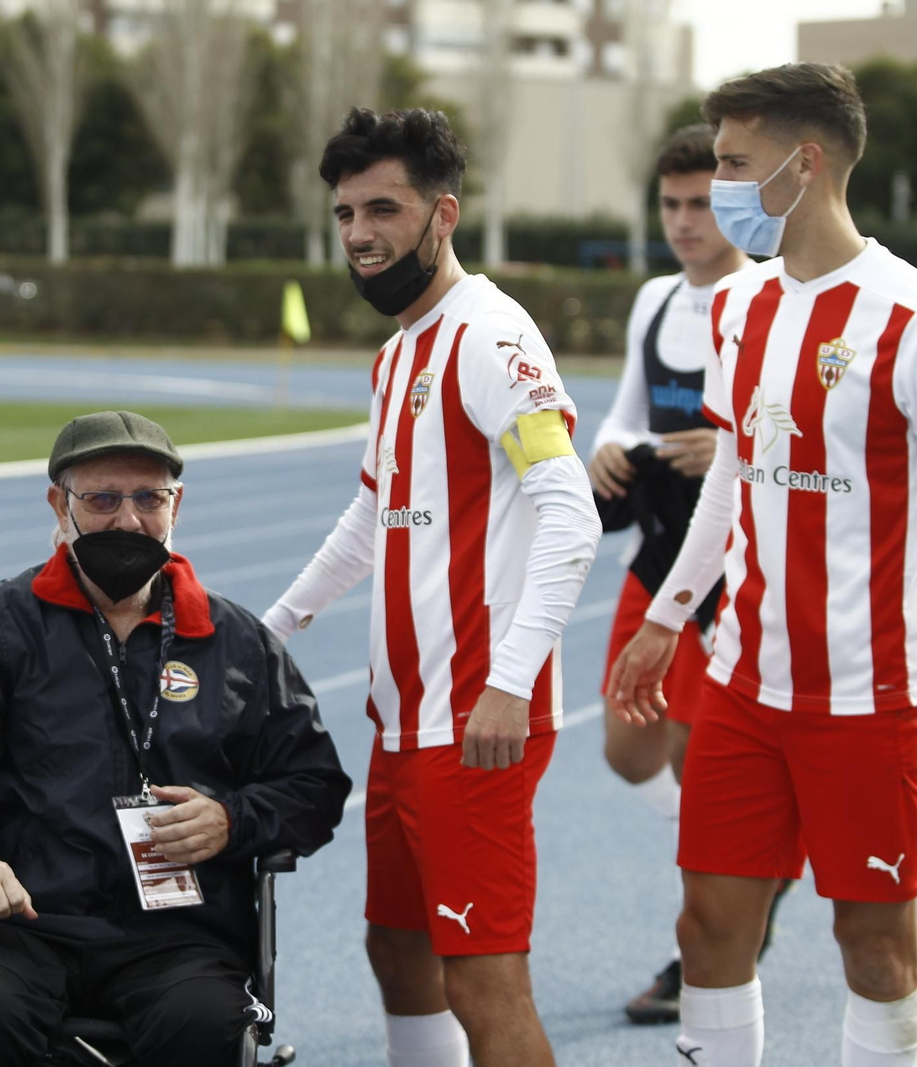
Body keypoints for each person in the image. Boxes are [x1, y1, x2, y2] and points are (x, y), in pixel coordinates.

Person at [261, 107, 602, 1067]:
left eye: (384, 209)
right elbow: (372, 518)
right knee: (399, 947)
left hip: (477, 723)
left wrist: (510, 679)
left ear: (442, 215)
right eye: (344, 214)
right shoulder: (400, 351)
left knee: (485, 980)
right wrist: (273, 627)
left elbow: (572, 517)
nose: (360, 234)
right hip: (406, 721)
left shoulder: (489, 337)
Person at [0, 410, 351, 1067]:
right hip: (22, 925)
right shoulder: (1, 627)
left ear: (176, 504)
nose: (127, 521)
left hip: (181, 936)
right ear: (58, 504)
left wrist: (233, 819)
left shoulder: (235, 642)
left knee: (204, 1028)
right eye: (101, 498)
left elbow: (314, 785)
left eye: (149, 498)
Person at [608, 63, 917, 1067]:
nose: (723, 186)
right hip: (742, 676)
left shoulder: (903, 318)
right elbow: (735, 474)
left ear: (804, 160)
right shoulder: (743, 310)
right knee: (706, 929)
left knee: (874, 946)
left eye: (736, 164)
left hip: (872, 693)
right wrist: (667, 614)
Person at [587, 124, 753, 1026]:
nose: (686, 221)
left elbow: (785, 436)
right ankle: (752, 865)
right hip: (654, 554)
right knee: (627, 749)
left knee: (701, 758)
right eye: (672, 204)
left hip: (735, 572)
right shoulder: (654, 300)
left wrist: (726, 447)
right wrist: (609, 454)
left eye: (703, 202)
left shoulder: (764, 296)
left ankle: (725, 918)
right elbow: (622, 413)